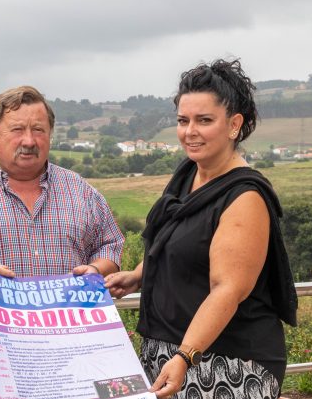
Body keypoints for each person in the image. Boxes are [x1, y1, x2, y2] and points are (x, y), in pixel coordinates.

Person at [105, 59, 298, 399]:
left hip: (227, 364)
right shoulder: (187, 175)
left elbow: (227, 288)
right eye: (183, 120)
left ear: (234, 124)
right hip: (169, 353)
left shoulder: (244, 197)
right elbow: (180, 244)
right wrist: (139, 274)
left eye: (204, 120)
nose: (189, 131)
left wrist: (184, 355)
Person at [0, 85, 125, 376]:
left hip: (74, 354)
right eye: (16, 130)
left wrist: (96, 269)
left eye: (38, 130)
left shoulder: (81, 191)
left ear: (50, 135)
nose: (29, 141)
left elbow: (111, 244)